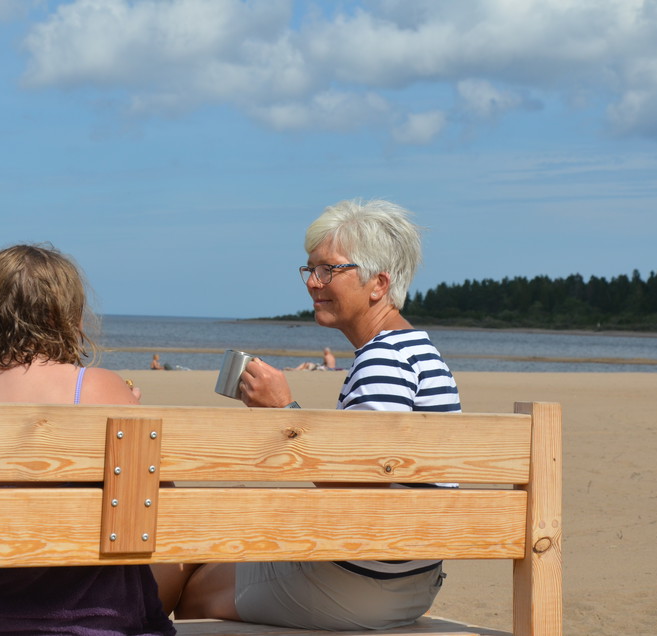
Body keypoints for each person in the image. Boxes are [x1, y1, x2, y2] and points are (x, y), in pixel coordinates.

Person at [155, 199, 461, 630]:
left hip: (362, 582)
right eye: (309, 270)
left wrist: (283, 411)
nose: (313, 283)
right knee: (214, 544)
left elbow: (360, 488)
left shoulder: (383, 361)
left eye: (329, 270)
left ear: (378, 284)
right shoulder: (419, 352)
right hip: (412, 576)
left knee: (193, 578)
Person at [0, 244, 174, 636]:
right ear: (71, 315)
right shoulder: (99, 389)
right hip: (89, 621)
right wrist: (127, 414)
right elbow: (155, 504)